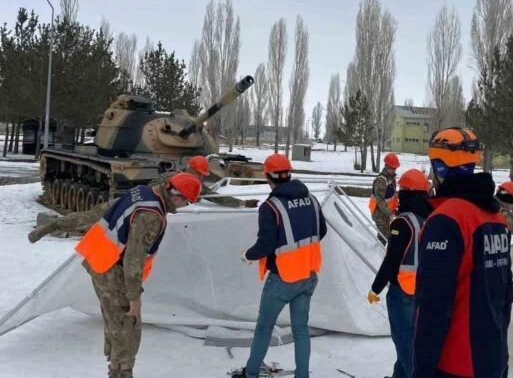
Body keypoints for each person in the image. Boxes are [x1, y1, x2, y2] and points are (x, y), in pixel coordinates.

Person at [31, 173, 201, 378]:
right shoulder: (151, 215)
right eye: (187, 201)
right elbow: (133, 258)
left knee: (115, 322)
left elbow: (97, 212)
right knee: (128, 327)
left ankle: (115, 365)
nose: (185, 206)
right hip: (113, 272)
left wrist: (55, 225)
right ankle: (120, 373)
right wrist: (134, 298)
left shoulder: (141, 192)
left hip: (98, 261)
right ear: (177, 197)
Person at [413, 127, 513, 378]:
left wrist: (422, 370)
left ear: (441, 168)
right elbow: (505, 295)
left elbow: (433, 305)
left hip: (456, 362)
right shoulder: (495, 218)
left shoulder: (447, 220)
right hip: (491, 358)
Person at [232, 154, 327, 378]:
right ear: (289, 174)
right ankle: (302, 375)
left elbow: (265, 244)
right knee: (301, 329)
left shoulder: (270, 207)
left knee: (264, 328)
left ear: (268, 177)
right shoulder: (311, 200)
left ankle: (251, 374)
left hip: (282, 279)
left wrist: (247, 255)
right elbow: (321, 231)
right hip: (308, 275)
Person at [368, 168, 433, 378]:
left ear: (407, 192)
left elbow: (392, 259)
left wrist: (375, 288)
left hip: (402, 289)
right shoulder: (430, 219)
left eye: (401, 189)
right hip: (422, 289)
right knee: (411, 339)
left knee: (404, 341)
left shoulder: (402, 222)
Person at [152, 155, 259, 208]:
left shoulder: (176, 176)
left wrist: (243, 203)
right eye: (200, 173)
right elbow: (215, 197)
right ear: (191, 169)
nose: (201, 177)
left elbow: (213, 196)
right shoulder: (185, 182)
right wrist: (244, 203)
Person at [370, 153, 400, 244]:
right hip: (379, 214)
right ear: (386, 166)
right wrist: (390, 214)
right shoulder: (381, 181)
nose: (394, 170)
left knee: (389, 234)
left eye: (395, 168)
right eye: (392, 168)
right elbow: (380, 202)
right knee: (383, 238)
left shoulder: (391, 178)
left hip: (387, 212)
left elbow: (392, 194)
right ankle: (378, 255)